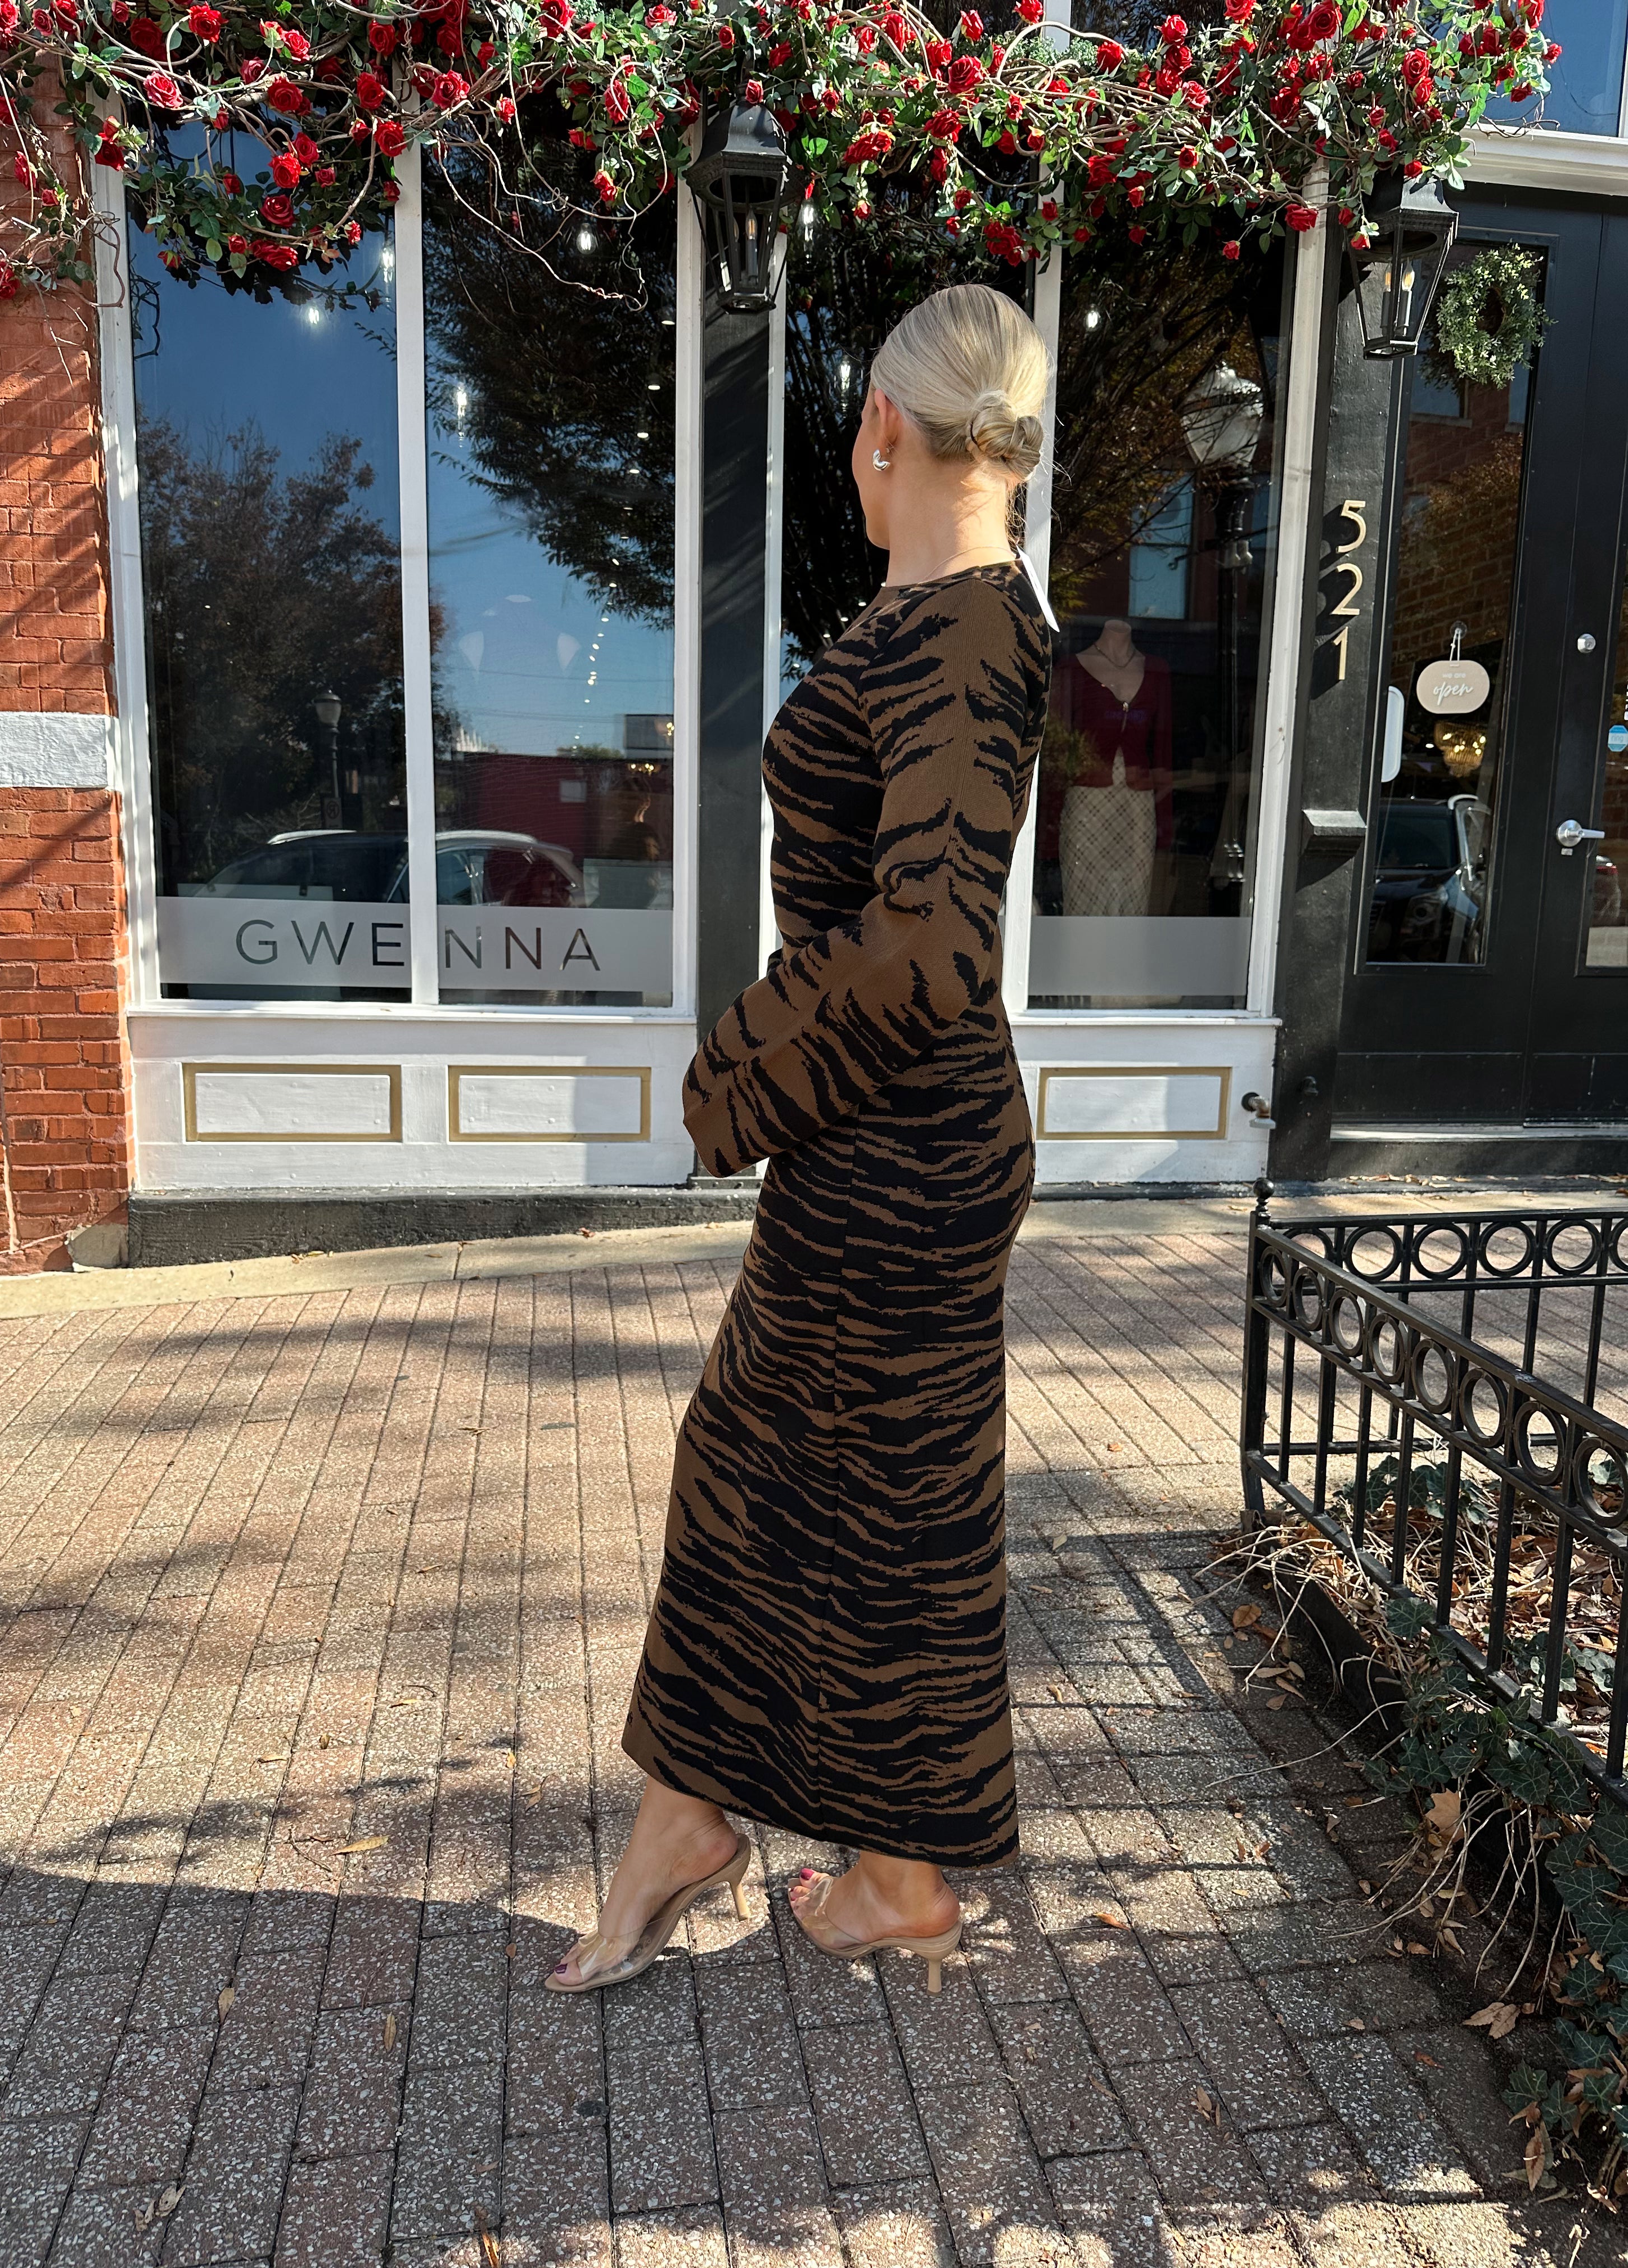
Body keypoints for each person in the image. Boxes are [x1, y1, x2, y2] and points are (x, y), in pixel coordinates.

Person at [547, 282, 1055, 1996]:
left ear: (881, 432)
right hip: (893, 1139)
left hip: (899, 1146)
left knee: (787, 1478)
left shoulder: (974, 630)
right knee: (845, 1492)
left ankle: (722, 1830)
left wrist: (728, 1079)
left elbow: (929, 945)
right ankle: (861, 1861)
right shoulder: (936, 614)